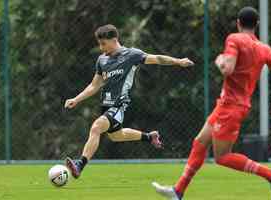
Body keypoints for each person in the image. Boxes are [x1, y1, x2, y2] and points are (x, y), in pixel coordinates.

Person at [152, 7, 271, 200]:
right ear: (256, 24)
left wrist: (220, 60)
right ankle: (178, 191)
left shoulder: (234, 39)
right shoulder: (264, 49)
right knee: (200, 143)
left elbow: (227, 69)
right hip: (229, 105)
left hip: (231, 107)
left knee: (223, 157)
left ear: (238, 23)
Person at [64, 24, 195, 179]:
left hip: (120, 104)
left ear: (114, 40)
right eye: (99, 44)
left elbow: (157, 59)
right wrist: (76, 99)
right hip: (106, 105)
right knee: (116, 135)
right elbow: (95, 85)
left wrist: (178, 61)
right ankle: (149, 136)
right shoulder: (102, 60)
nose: (101, 47)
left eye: (103, 43)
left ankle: (80, 165)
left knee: (96, 128)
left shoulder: (131, 55)